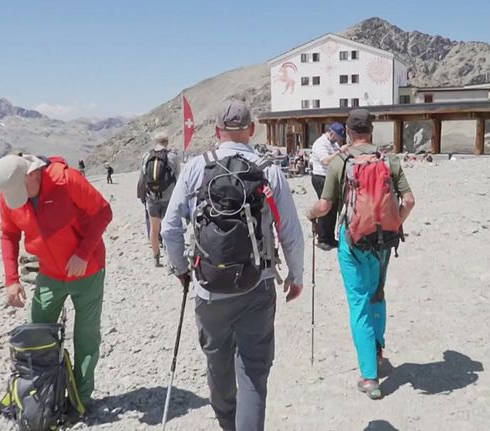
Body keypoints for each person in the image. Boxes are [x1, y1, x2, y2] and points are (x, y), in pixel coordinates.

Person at [161, 100, 304, 431]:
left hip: (209, 287)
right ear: (252, 129)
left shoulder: (196, 168)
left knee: (217, 361)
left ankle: (227, 422)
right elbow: (290, 232)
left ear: (216, 131)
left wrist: (182, 269)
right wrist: (295, 276)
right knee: (253, 370)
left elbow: (170, 228)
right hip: (258, 283)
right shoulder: (269, 170)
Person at [307, 109, 415, 400]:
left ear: (349, 132)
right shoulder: (389, 160)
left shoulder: (341, 162)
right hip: (385, 240)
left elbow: (325, 206)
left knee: (359, 302)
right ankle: (377, 351)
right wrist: (396, 223)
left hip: (353, 240)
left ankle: (370, 377)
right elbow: (409, 200)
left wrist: (310, 214)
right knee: (377, 293)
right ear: (371, 130)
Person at [0, 153, 113, 410]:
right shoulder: (10, 191)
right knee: (36, 333)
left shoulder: (66, 180)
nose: (18, 199)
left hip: (87, 271)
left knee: (86, 336)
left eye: (21, 192)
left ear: (33, 174)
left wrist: (83, 253)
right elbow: (9, 234)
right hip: (49, 274)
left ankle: (81, 399)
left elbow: (103, 212)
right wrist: (12, 279)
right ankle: (42, 396)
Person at [138, 132, 180, 267]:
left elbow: (143, 177)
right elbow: (177, 178)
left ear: (155, 142)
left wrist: (142, 195)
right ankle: (170, 260)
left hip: (152, 198)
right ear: (167, 142)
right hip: (169, 199)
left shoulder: (146, 156)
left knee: (154, 229)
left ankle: (156, 258)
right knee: (169, 229)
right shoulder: (173, 157)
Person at [310, 123, 347, 250]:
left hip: (331, 177)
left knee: (333, 208)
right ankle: (322, 238)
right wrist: (340, 151)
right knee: (325, 207)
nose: (338, 140)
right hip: (321, 177)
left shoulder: (334, 144)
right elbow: (325, 160)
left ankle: (330, 238)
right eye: (337, 137)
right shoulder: (320, 143)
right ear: (331, 134)